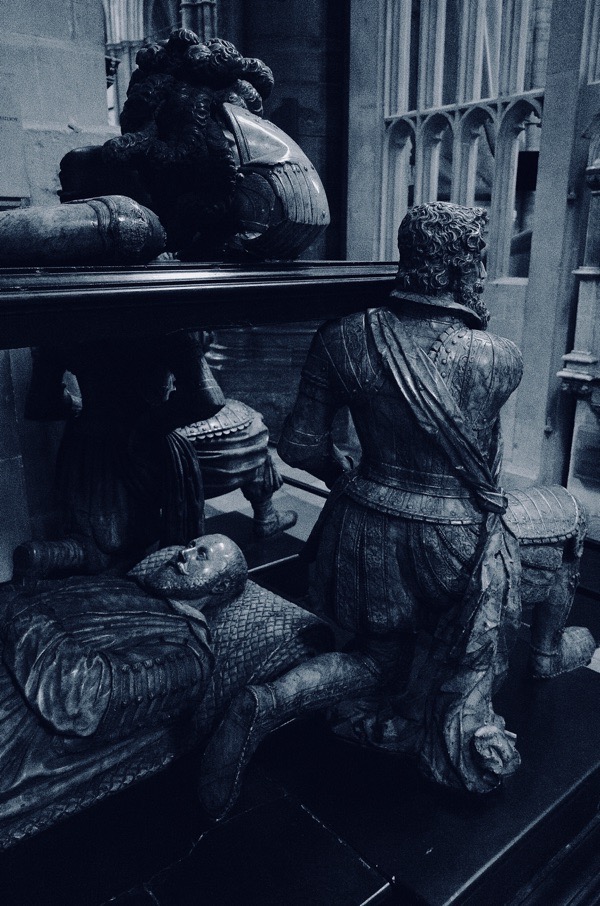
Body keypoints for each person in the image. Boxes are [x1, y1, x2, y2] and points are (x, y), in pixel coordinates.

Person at [198, 202, 596, 819]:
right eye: (478, 262)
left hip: (358, 533)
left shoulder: (342, 337)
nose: (482, 273)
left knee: (376, 657)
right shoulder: (498, 357)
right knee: (493, 604)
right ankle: (523, 671)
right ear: (462, 268)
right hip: (451, 542)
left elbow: (300, 445)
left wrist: (349, 476)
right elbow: (480, 475)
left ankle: (269, 701)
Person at [0, 534, 331, 845]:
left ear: (221, 586)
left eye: (201, 555)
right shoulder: (132, 588)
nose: (184, 554)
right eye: (190, 545)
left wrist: (14, 607)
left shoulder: (186, 655)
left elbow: (81, 697)